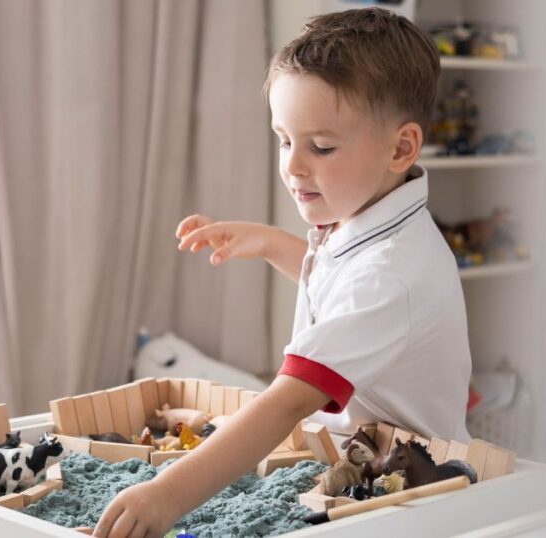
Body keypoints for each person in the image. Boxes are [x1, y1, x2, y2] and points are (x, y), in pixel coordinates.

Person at [92, 7, 470, 537]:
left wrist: (167, 493)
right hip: (351, 463)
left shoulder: (391, 272)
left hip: (406, 494)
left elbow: (291, 398)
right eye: (283, 139)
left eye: (320, 146)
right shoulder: (369, 223)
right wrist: (270, 243)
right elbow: (337, 291)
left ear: (401, 147)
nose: (293, 166)